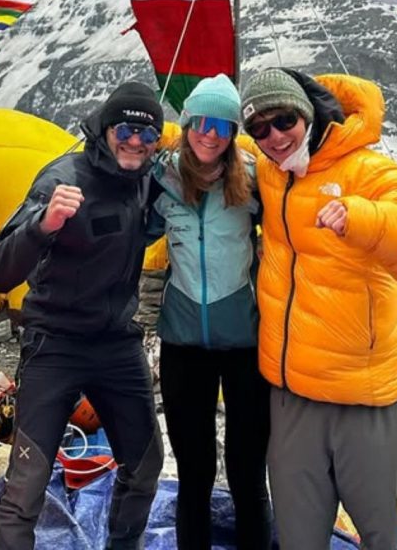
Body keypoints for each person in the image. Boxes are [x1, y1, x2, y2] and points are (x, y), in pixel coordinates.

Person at [240, 68, 397, 550]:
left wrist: (368, 220)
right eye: (260, 127)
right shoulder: (270, 169)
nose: (274, 136)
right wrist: (141, 131)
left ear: (308, 114)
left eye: (285, 120)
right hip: (292, 390)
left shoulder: (369, 172)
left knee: (378, 531)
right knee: (297, 533)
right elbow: (205, 140)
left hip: (364, 390)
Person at [0, 81, 165, 550]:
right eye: (126, 130)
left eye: (148, 135)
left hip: (117, 344)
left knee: (145, 465)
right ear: (105, 129)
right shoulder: (62, 178)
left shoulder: (150, 179)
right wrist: (42, 226)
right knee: (28, 481)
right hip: (55, 342)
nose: (136, 142)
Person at [148, 74, 272, 550]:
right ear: (186, 123)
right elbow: (128, 229)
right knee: (194, 472)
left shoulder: (254, 177)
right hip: (183, 345)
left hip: (245, 344)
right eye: (202, 121)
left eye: (223, 125)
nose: (211, 134)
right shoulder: (160, 177)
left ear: (234, 132)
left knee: (247, 472)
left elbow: (290, 229)